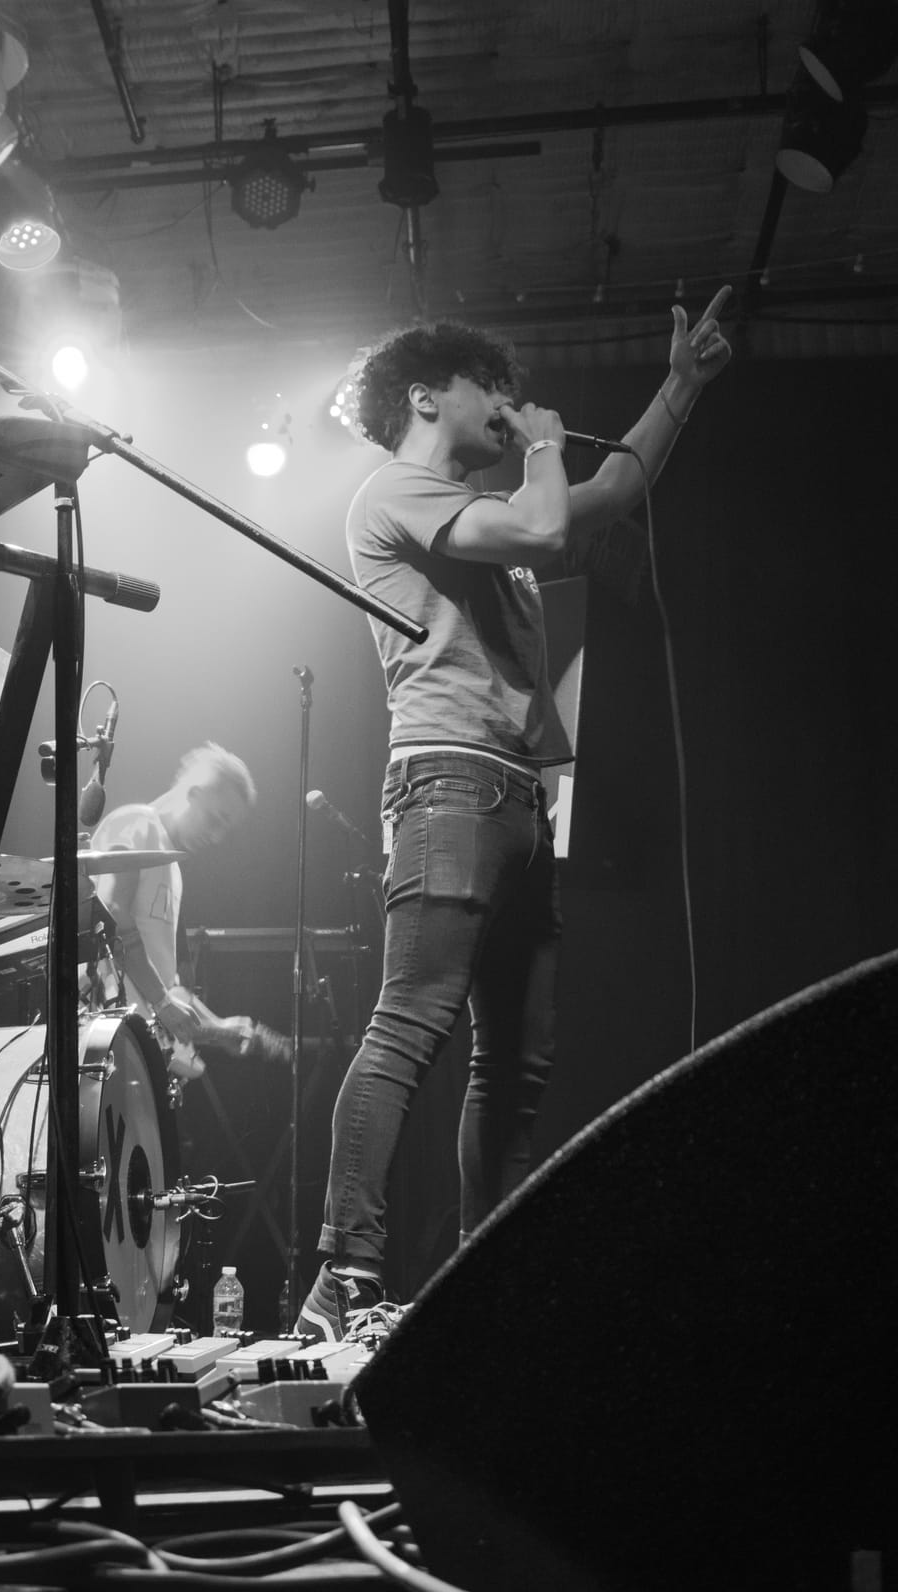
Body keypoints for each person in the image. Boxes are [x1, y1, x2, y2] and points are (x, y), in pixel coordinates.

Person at [295, 290, 734, 1342]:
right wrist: (540, 449)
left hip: (519, 792)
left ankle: (483, 1285)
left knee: (515, 1056)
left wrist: (681, 384)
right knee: (411, 1020)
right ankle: (340, 1274)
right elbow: (550, 512)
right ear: (424, 394)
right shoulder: (394, 489)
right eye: (489, 386)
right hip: (446, 781)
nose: (509, 402)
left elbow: (606, 492)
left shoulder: (480, 513)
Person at [87, 742, 273, 1079]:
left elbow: (162, 981)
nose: (216, 836)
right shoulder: (137, 823)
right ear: (194, 793)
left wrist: (218, 1028)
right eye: (215, 819)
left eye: (224, 828)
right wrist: (162, 1002)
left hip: (139, 1042)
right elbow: (112, 916)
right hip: (111, 1034)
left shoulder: (171, 866)